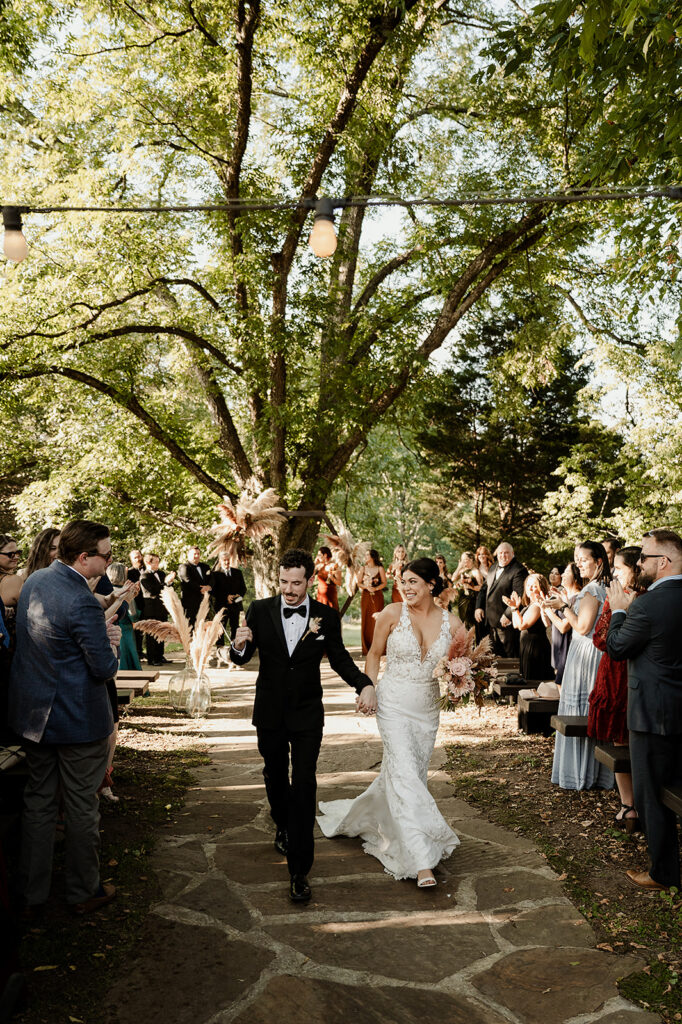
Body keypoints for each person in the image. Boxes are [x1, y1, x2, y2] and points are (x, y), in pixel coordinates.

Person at [230, 548, 376, 904]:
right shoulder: (260, 610)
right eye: (283, 582)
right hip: (270, 711)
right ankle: (282, 822)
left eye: (296, 583)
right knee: (275, 775)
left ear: (310, 580)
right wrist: (237, 646)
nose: (289, 590)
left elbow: (339, 657)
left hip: (308, 712)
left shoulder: (326, 615)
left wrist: (365, 684)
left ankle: (299, 870)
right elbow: (243, 655)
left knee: (305, 782)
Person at [318, 557, 460, 887]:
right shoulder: (392, 614)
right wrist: (368, 687)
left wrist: (460, 686)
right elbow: (372, 654)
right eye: (402, 581)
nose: (405, 587)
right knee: (406, 773)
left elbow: (463, 665)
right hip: (393, 702)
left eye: (412, 582)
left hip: (426, 709)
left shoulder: (452, 624)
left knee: (409, 775)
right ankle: (422, 859)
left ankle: (369, 815)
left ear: (430, 585)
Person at [8, 520, 120, 915]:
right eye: (106, 555)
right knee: (81, 807)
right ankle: (82, 891)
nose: (110, 561)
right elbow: (103, 668)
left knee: (38, 804)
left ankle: (31, 893)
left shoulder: (35, 581)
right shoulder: (83, 601)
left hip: (33, 717)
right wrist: (112, 644)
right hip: (76, 721)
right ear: (84, 557)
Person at [606, 529, 682, 891]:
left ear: (664, 562)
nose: (639, 563)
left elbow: (617, 648)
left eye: (645, 558)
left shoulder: (648, 604)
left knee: (651, 794)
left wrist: (620, 611)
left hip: (652, 714)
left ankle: (662, 873)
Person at [548, 541, 613, 791]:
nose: (579, 564)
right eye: (577, 559)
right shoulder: (605, 587)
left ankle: (580, 775)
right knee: (588, 710)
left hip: (586, 655)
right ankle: (597, 773)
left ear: (598, 561)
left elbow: (584, 627)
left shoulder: (593, 589)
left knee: (581, 710)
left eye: (583, 559)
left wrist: (564, 607)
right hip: (594, 653)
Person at [588, 546, 643, 833]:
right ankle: (630, 804)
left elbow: (600, 637)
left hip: (622, 676)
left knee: (628, 742)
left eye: (619, 568)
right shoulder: (621, 595)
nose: (615, 574)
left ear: (636, 568)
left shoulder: (644, 598)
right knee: (624, 742)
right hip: (619, 675)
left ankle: (629, 804)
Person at [474, 542, 528, 657]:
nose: (503, 556)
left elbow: (519, 595)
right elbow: (484, 589)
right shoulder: (493, 567)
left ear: (512, 554)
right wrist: (478, 607)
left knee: (510, 657)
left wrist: (508, 615)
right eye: (500, 553)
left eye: (506, 553)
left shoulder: (519, 570)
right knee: (494, 658)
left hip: (507, 624)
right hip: (490, 622)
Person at [541, 562, 582, 687]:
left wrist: (548, 609)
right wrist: (543, 607)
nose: (562, 575)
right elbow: (549, 624)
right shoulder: (565, 598)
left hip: (567, 649)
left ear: (576, 578)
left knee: (562, 688)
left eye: (567, 572)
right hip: (558, 648)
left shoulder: (577, 599)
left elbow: (563, 627)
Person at [508, 574, 554, 681]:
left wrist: (515, 610)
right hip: (527, 645)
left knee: (534, 679)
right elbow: (515, 624)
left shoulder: (537, 605)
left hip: (536, 647)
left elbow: (522, 625)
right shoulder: (530, 604)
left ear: (541, 587)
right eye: (528, 585)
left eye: (533, 586)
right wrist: (514, 607)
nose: (529, 588)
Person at [139, 554, 177, 665]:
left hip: (162, 607)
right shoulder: (144, 576)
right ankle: (152, 658)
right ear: (148, 563)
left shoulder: (161, 574)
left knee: (162, 632)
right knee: (152, 634)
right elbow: (152, 591)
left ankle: (160, 656)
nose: (158, 564)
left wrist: (169, 582)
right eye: (156, 562)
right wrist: (165, 583)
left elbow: (166, 588)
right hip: (151, 609)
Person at [210, 551, 247, 643]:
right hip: (221, 606)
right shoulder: (215, 574)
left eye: (228, 560)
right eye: (224, 560)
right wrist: (226, 597)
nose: (226, 562)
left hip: (235, 605)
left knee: (235, 626)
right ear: (220, 561)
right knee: (220, 627)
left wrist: (238, 595)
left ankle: (235, 647)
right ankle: (220, 648)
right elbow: (213, 591)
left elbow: (243, 588)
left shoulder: (238, 572)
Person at [357, 549, 387, 655]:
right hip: (366, 596)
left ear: (372, 557)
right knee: (366, 619)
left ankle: (379, 647)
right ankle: (366, 647)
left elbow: (384, 583)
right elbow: (358, 583)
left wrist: (376, 588)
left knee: (378, 620)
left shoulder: (380, 568)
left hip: (377, 596)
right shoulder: (363, 568)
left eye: (367, 555)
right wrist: (366, 587)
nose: (365, 556)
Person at [177, 545, 211, 626]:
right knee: (191, 626)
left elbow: (212, 579)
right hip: (190, 603)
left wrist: (209, 586)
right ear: (188, 554)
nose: (197, 556)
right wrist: (202, 589)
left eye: (198, 554)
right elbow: (187, 581)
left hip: (204, 601)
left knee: (203, 626)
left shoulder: (205, 566)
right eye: (194, 554)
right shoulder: (184, 567)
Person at [0, 535, 23, 649]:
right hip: (10, 646)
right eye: (10, 554)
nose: (16, 557)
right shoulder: (13, 580)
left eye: (18, 552)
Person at [451, 551, 484, 628]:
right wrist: (459, 566)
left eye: (465, 559)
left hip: (472, 601)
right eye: (462, 559)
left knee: (470, 623)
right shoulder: (462, 570)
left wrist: (471, 587)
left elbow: (481, 587)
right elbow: (453, 579)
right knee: (462, 622)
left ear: (471, 559)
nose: (463, 561)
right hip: (462, 599)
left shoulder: (476, 572)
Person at [127, 549, 146, 660]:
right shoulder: (129, 572)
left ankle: (145, 651)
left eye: (139, 556)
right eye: (135, 557)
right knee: (137, 629)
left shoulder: (147, 570)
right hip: (136, 603)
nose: (138, 558)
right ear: (131, 560)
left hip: (148, 603)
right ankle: (138, 651)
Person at [314, 546, 341, 611]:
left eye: (319, 555)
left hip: (330, 597)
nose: (317, 556)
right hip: (320, 597)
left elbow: (339, 583)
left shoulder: (334, 565)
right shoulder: (319, 566)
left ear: (325, 555)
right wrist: (315, 564)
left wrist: (332, 578)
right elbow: (310, 575)